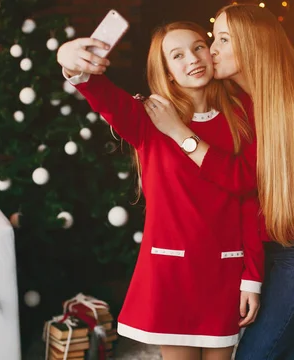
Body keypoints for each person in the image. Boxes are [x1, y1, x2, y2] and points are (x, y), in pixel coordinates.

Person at [56, 21, 264, 360]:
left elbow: (249, 200)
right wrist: (68, 58)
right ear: (166, 72)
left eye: (198, 47)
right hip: (171, 277)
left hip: (225, 275)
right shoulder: (145, 118)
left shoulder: (243, 114)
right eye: (177, 55)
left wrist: (251, 279)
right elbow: (98, 92)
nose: (193, 59)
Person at [143, 4, 294, 359]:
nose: (211, 49)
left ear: (253, 45)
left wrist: (180, 134)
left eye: (222, 39)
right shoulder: (239, 104)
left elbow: (242, 178)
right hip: (262, 249)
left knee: (257, 353)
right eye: (212, 38)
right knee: (280, 349)